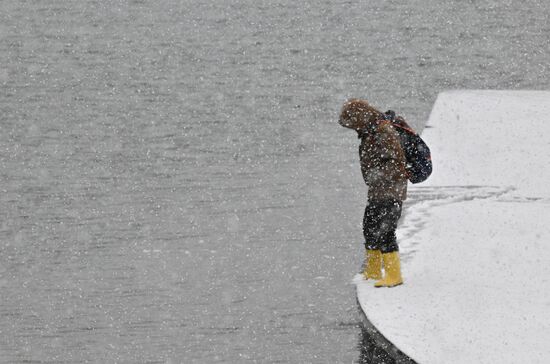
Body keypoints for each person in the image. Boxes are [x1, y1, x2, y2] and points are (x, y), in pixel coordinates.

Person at [338, 99, 408, 287]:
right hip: (377, 191)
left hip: (391, 191)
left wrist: (377, 175)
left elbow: (396, 163)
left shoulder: (383, 132)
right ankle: (373, 269)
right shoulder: (368, 132)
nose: (352, 129)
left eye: (352, 124)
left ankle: (394, 275)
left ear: (359, 118)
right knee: (369, 227)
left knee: (386, 230)